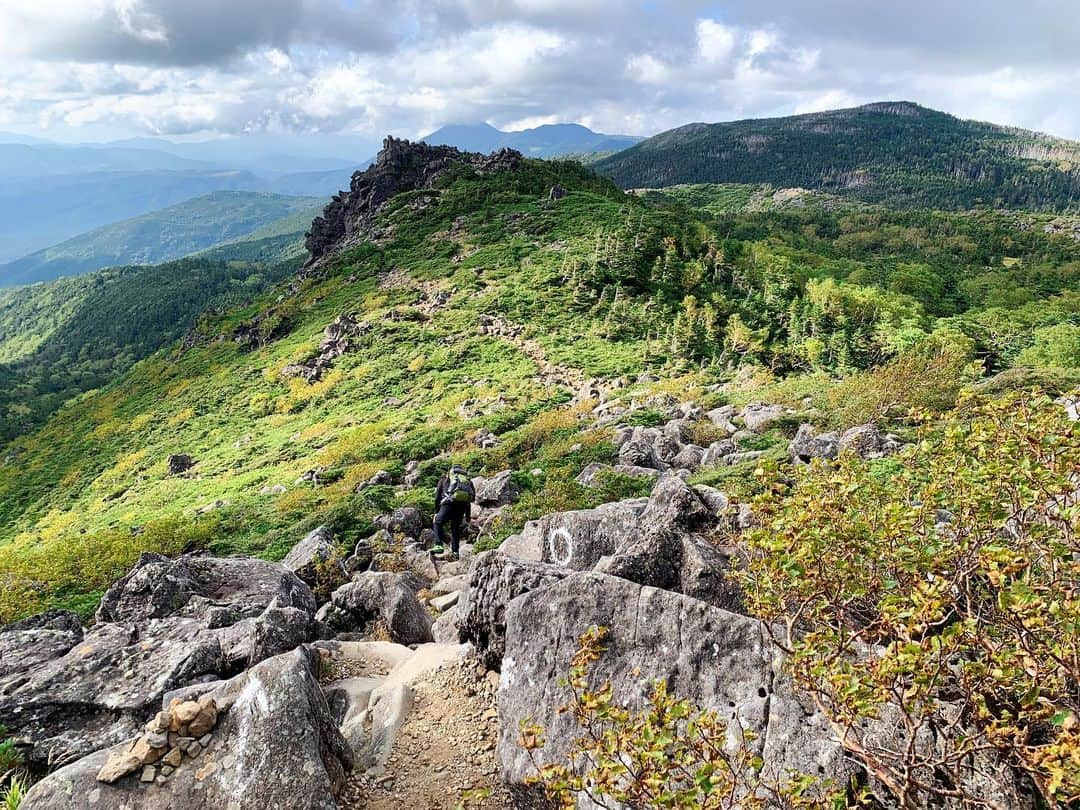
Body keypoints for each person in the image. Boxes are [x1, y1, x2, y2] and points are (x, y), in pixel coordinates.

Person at [432, 464, 474, 560]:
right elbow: (469, 500)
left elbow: (437, 498)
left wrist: (436, 512)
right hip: (462, 507)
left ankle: (438, 545)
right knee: (455, 529)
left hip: (448, 504)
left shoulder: (445, 479)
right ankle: (455, 552)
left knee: (437, 522)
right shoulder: (467, 481)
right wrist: (468, 516)